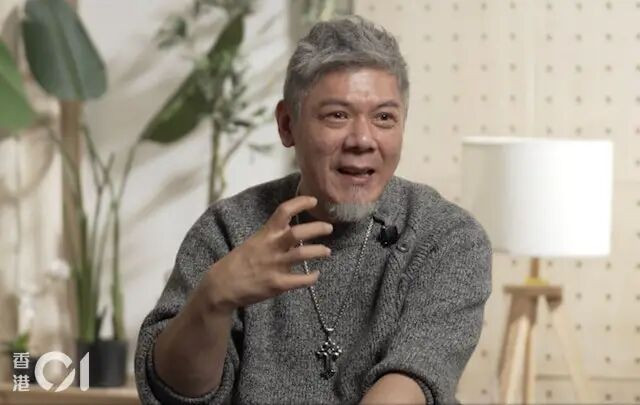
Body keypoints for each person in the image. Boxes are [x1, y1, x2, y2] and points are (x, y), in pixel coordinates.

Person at [134, 15, 492, 405]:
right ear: (287, 124)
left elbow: (412, 381)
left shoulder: (445, 236)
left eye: (384, 118)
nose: (362, 139)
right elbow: (175, 394)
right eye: (337, 115)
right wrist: (212, 299)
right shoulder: (228, 230)